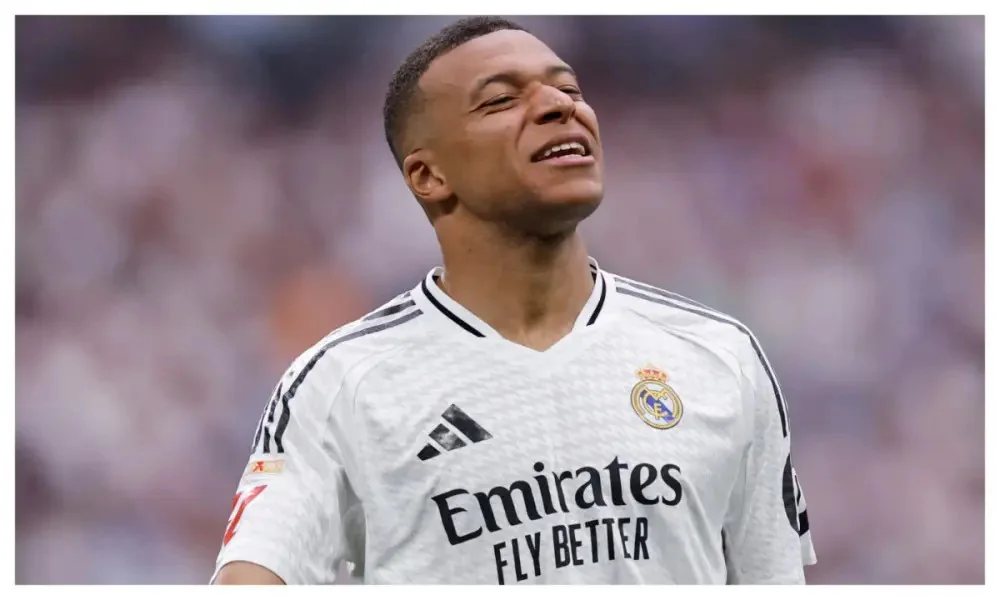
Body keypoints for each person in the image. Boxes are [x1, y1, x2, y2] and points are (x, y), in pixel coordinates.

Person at [212, 16, 816, 585]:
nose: (560, 106)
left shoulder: (718, 355)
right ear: (428, 176)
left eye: (569, 89)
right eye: (501, 100)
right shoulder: (342, 384)